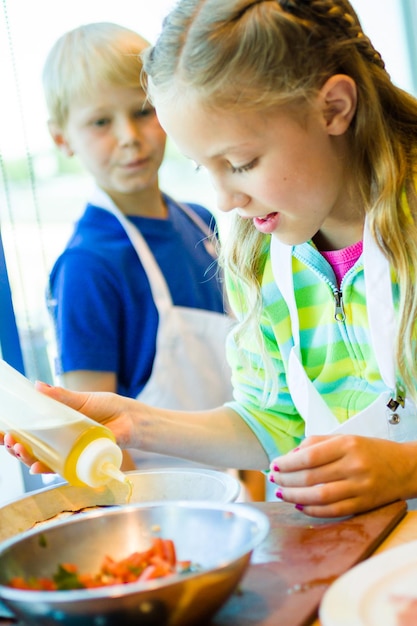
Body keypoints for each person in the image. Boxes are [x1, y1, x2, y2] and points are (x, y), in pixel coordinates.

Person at [4, 0, 417, 517]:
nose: (225, 200)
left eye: (242, 163)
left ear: (333, 108)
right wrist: (136, 424)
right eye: (203, 168)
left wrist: (405, 467)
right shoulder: (265, 252)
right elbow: (273, 420)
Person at [37, 21, 257, 486]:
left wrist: (250, 482)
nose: (129, 136)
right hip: (161, 510)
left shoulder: (204, 221)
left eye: (142, 111)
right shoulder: (87, 267)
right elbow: (93, 433)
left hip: (240, 483)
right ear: (62, 139)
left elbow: (249, 375)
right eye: (101, 122)